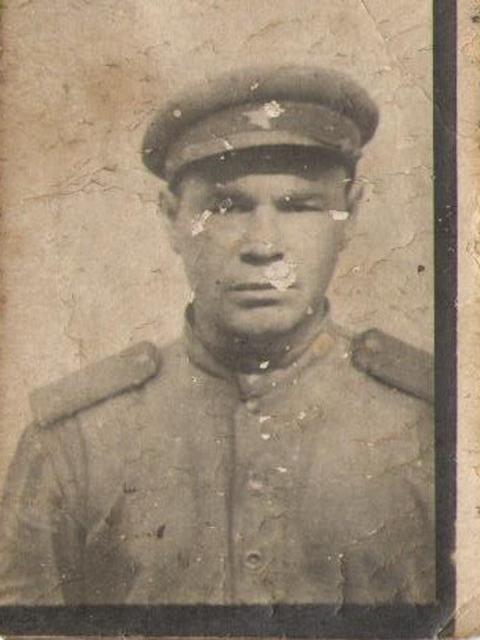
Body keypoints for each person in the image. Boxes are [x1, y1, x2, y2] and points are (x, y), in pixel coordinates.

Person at [0, 67, 434, 606]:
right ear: (172, 218)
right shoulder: (76, 444)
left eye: (298, 206)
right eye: (227, 207)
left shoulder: (430, 426)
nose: (263, 246)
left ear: (351, 213)